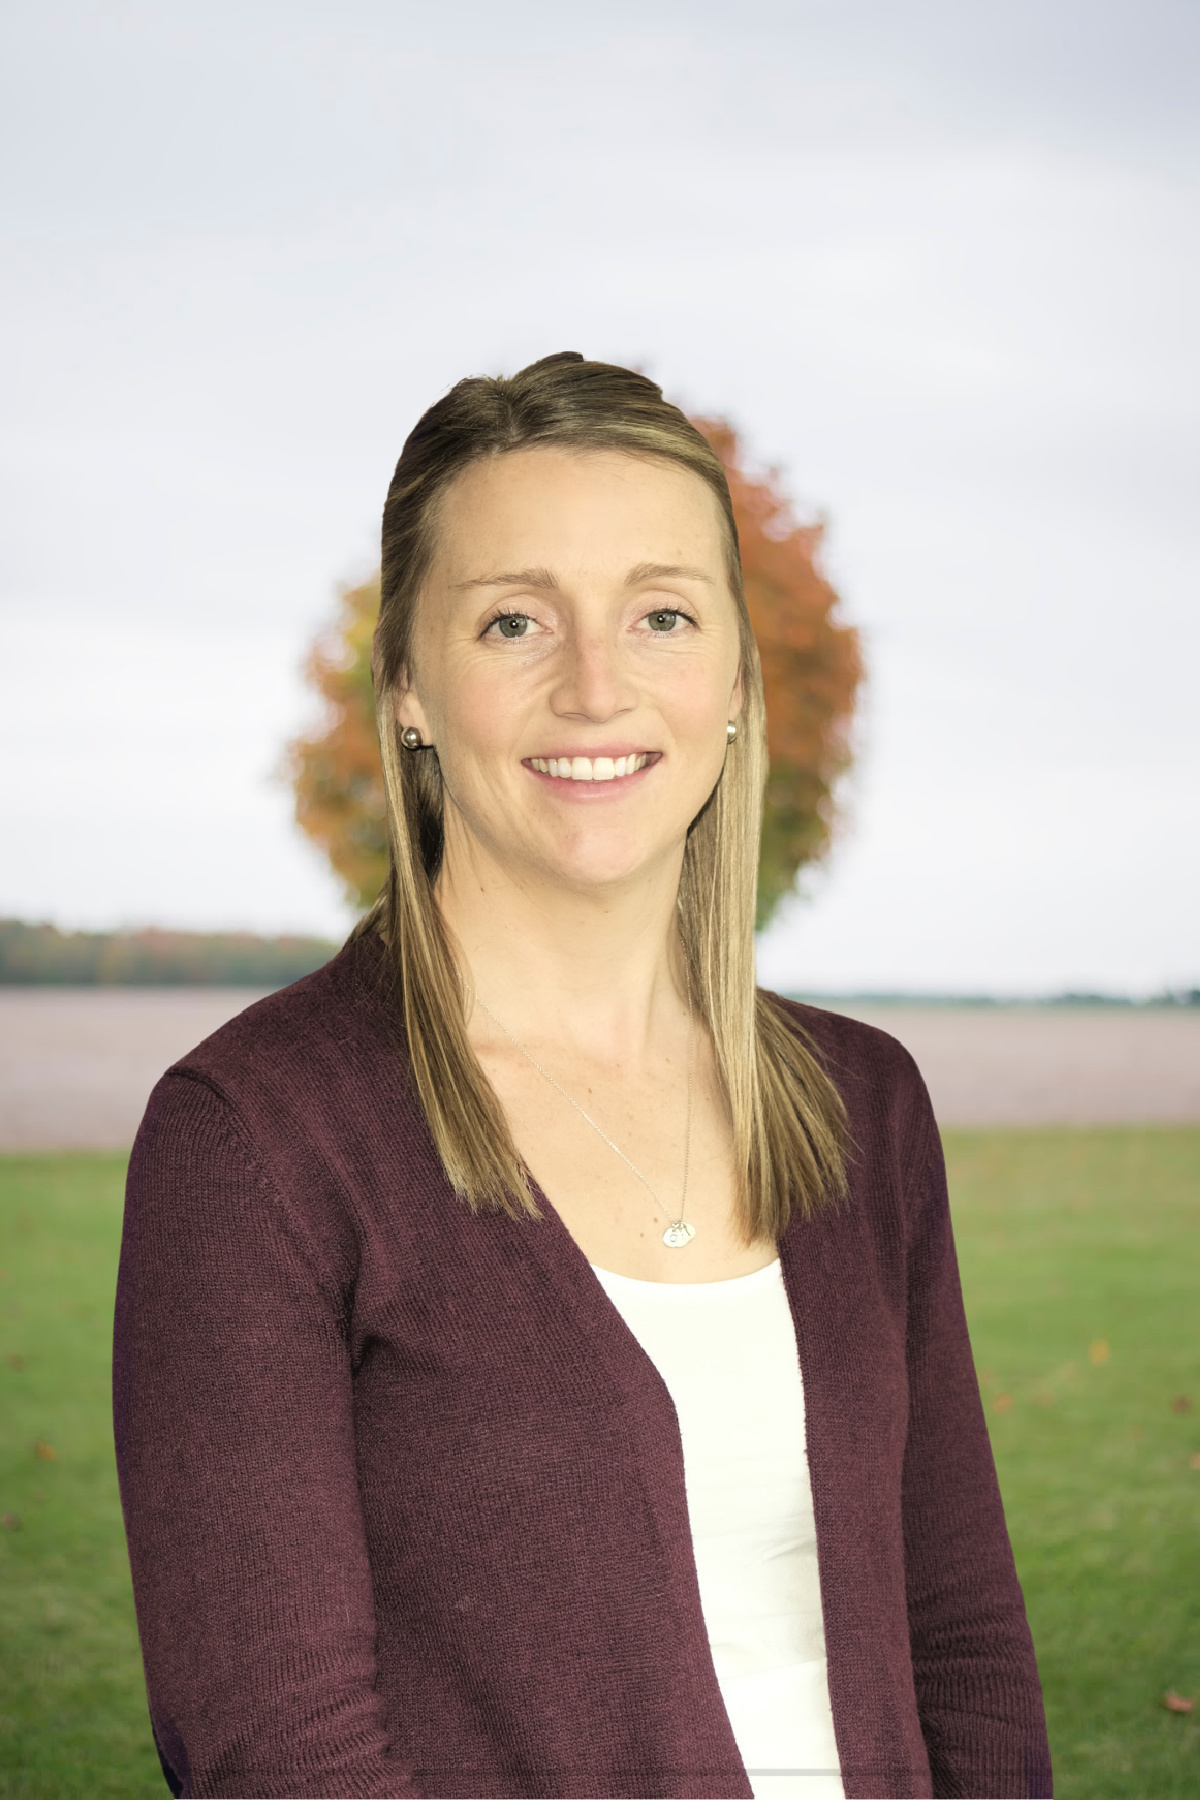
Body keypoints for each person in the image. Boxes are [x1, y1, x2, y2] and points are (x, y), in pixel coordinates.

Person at [113, 352, 1051, 1800]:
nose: (597, 686)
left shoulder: (862, 1105)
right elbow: (279, 1756)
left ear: (735, 680)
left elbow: (966, 1645)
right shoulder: (258, 1140)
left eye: (661, 615)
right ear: (411, 688)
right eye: (513, 622)